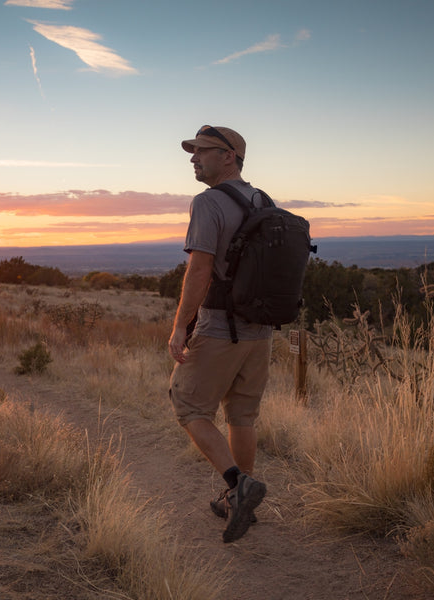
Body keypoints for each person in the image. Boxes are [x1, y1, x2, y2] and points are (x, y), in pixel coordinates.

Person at [168, 125, 273, 544]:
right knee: (241, 415)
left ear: (229, 156)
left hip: (220, 326)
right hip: (261, 330)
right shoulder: (264, 201)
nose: (194, 158)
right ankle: (238, 502)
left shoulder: (208, 202)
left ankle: (238, 485)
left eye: (203, 151)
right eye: (192, 152)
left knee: (188, 404)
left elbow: (200, 269)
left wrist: (180, 326)